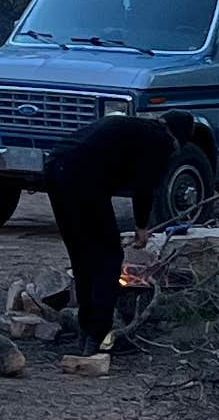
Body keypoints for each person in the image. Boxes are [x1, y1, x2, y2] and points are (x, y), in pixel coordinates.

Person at [41, 109, 186, 373]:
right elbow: (145, 186)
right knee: (108, 258)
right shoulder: (160, 140)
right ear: (178, 137)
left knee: (82, 254)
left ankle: (85, 332)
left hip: (55, 168)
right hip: (83, 177)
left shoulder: (135, 128)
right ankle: (99, 336)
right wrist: (142, 227)